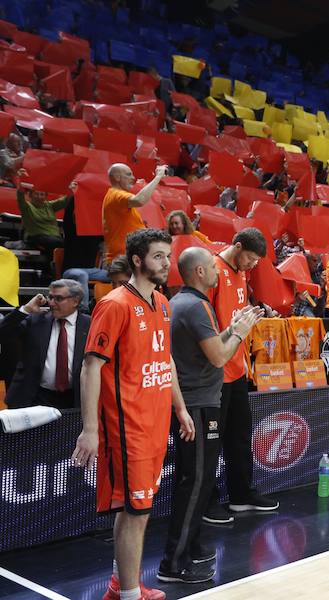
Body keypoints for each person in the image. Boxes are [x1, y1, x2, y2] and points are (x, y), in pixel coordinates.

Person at [72, 228, 195, 600]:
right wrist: (89, 429)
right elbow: (90, 367)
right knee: (137, 511)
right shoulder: (114, 304)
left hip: (156, 422)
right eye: (159, 256)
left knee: (136, 509)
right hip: (127, 427)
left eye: (169, 256)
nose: (167, 263)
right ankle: (128, 594)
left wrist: (180, 406)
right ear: (138, 260)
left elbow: (166, 360)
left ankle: (119, 583)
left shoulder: (164, 303)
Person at [159, 247, 263, 583]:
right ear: (200, 272)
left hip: (194, 401)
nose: (219, 273)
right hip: (199, 404)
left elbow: (207, 349)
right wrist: (238, 333)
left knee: (193, 480)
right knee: (196, 482)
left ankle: (190, 546)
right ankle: (174, 563)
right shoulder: (197, 305)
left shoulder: (180, 302)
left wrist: (230, 328)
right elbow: (219, 357)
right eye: (212, 268)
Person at [203, 227, 278, 524]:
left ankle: (241, 495)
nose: (252, 265)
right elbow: (206, 320)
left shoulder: (241, 273)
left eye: (257, 261)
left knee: (239, 436)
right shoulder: (212, 270)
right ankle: (207, 503)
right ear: (236, 246)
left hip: (236, 369)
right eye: (249, 258)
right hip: (214, 371)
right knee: (211, 442)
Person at [0, 280, 90, 409]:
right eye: (51, 297)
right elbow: (3, 332)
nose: (52, 303)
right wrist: (25, 309)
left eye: (58, 298)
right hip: (35, 398)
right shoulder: (36, 320)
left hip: (74, 400)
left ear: (75, 301)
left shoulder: (89, 325)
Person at [102, 163, 167, 264]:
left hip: (128, 257)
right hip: (125, 260)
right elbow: (140, 200)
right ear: (117, 177)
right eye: (129, 174)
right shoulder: (116, 194)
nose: (133, 178)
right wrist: (158, 177)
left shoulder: (116, 195)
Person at [15, 169, 69, 250]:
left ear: (45, 196)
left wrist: (73, 187)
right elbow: (20, 195)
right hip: (36, 237)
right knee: (58, 243)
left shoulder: (50, 205)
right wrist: (21, 179)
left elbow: (66, 200)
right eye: (36, 194)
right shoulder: (26, 207)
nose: (39, 197)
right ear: (30, 195)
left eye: (42, 194)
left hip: (55, 238)